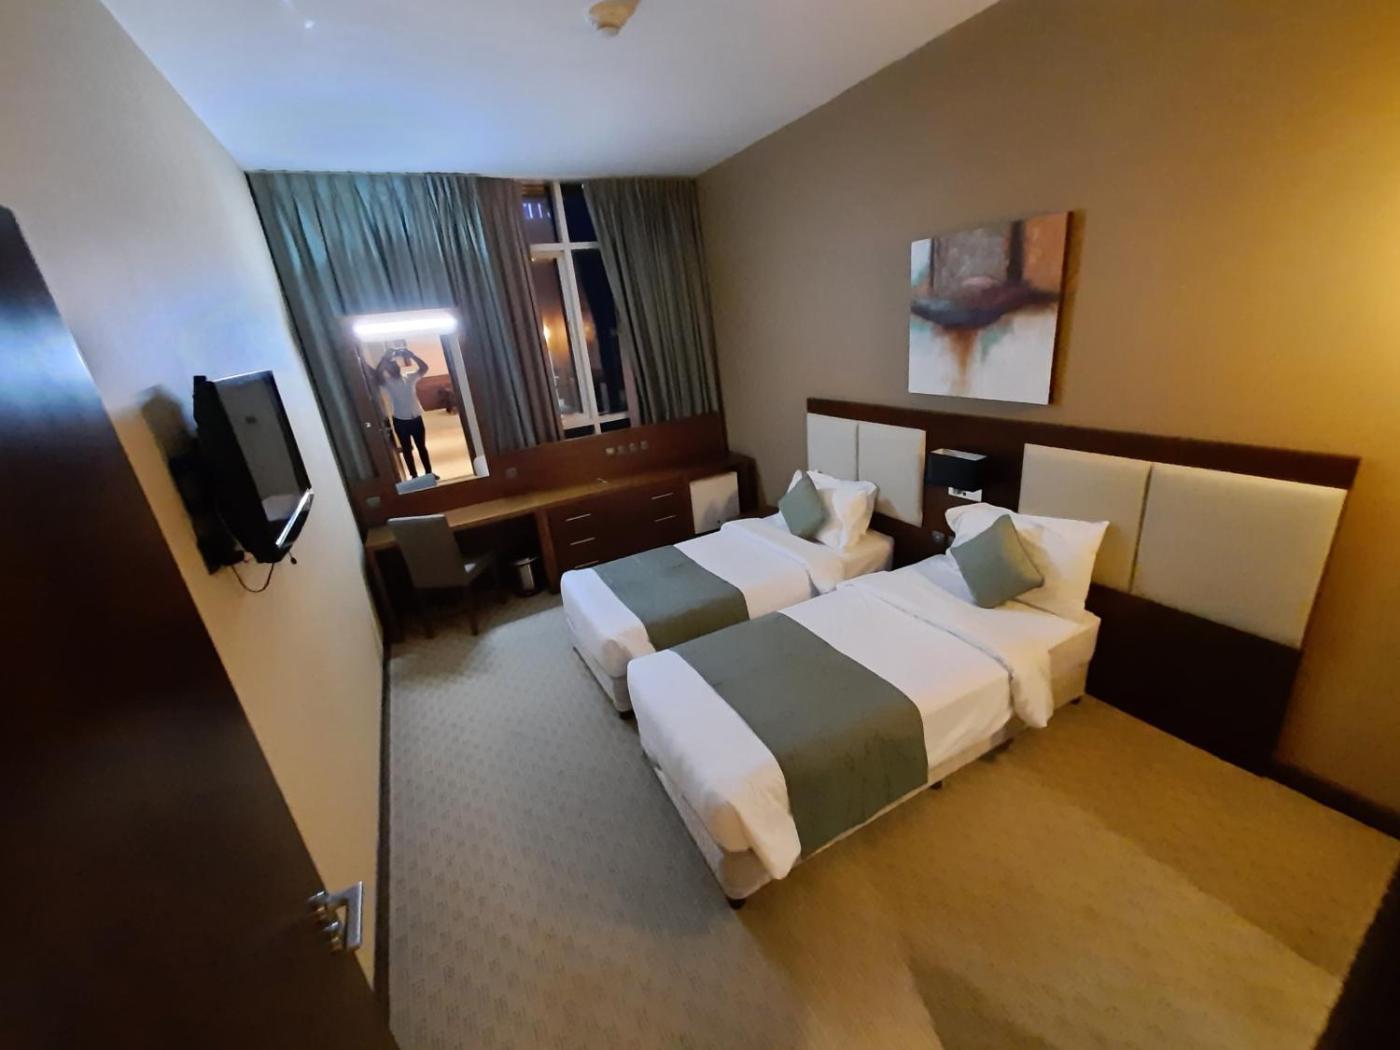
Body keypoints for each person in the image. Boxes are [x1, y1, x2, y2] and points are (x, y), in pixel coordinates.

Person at [375, 346, 434, 478]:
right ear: (387, 370)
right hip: (400, 421)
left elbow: (424, 368)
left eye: (395, 365)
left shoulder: (410, 377)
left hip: (416, 418)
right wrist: (384, 358)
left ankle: (429, 473)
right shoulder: (387, 383)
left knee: (422, 447)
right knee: (407, 449)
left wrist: (412, 355)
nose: (394, 367)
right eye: (391, 366)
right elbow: (377, 376)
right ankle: (414, 476)